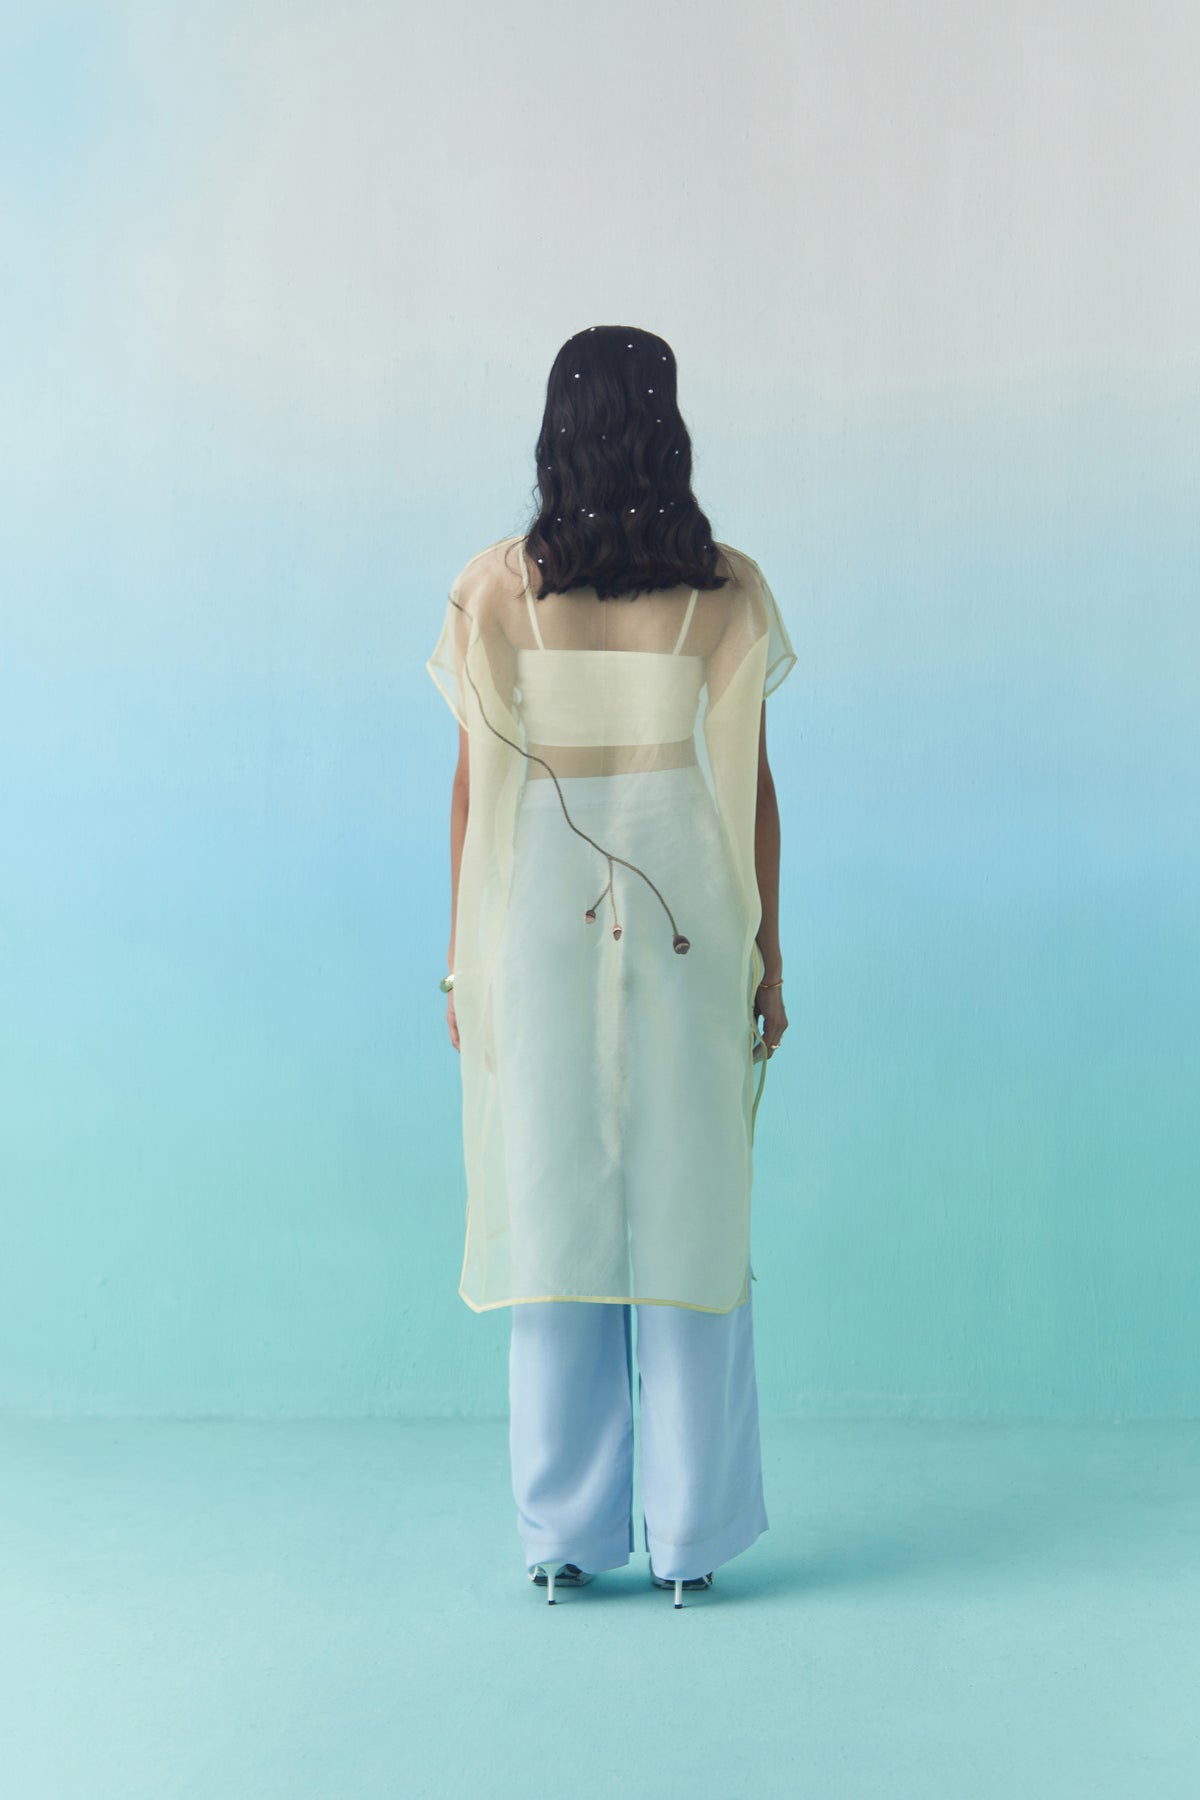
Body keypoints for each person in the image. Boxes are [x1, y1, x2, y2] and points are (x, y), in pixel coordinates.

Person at [426, 325, 797, 1607]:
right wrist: (770, 958)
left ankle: (564, 1535)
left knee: (556, 1216)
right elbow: (751, 788)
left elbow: (473, 795)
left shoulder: (495, 590)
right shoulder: (723, 589)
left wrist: (462, 964)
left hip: (538, 913)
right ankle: (692, 1539)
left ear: (559, 428)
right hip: (688, 908)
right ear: (666, 427)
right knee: (691, 1214)